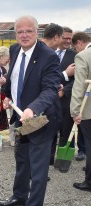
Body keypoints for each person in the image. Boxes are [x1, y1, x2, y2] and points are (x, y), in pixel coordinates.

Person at [0, 15, 62, 206]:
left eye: (29, 31)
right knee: (22, 159)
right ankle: (20, 195)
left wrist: (32, 109)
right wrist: (6, 97)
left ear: (37, 33)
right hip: (20, 116)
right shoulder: (15, 50)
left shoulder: (48, 56)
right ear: (15, 34)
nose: (24, 35)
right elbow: (14, 80)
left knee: (38, 167)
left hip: (41, 120)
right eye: (20, 32)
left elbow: (51, 89)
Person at [70, 31, 91, 192]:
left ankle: (89, 181)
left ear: (78, 43)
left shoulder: (83, 56)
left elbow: (79, 86)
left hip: (88, 110)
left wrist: (75, 111)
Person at [41, 23, 64, 166]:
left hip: (48, 102)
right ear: (56, 37)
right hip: (43, 105)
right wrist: (65, 75)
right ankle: (39, 170)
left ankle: (42, 166)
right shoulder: (47, 53)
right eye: (62, 37)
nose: (63, 41)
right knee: (42, 140)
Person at [56, 27, 77, 165]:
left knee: (67, 130)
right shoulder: (49, 52)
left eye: (70, 38)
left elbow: (78, 80)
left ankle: (64, 161)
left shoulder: (75, 55)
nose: (68, 41)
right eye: (65, 38)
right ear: (58, 37)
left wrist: (65, 90)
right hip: (48, 98)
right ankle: (48, 160)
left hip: (66, 100)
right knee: (49, 131)